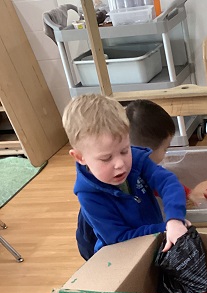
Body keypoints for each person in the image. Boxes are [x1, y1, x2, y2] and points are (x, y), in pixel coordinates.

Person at [63, 94, 187, 258]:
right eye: (106, 158)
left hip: (153, 242)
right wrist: (163, 228)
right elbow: (120, 238)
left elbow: (167, 182)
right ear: (80, 157)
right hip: (121, 256)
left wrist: (175, 219)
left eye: (124, 150)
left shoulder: (136, 159)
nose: (120, 163)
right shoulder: (89, 196)